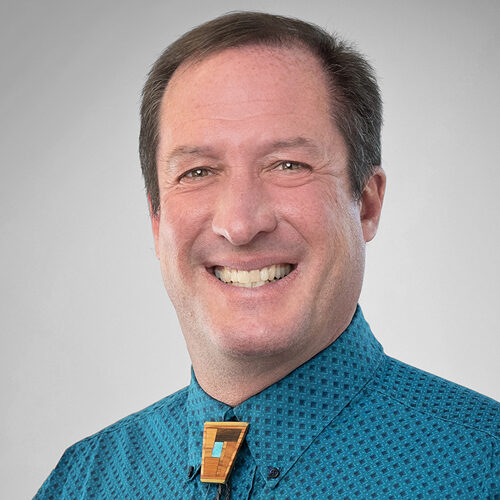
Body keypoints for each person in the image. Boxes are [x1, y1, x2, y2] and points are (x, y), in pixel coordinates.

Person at [35, 11, 498, 499]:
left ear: (366, 203)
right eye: (197, 172)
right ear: (157, 219)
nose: (240, 225)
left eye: (288, 165)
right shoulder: (81, 482)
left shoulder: (484, 469)